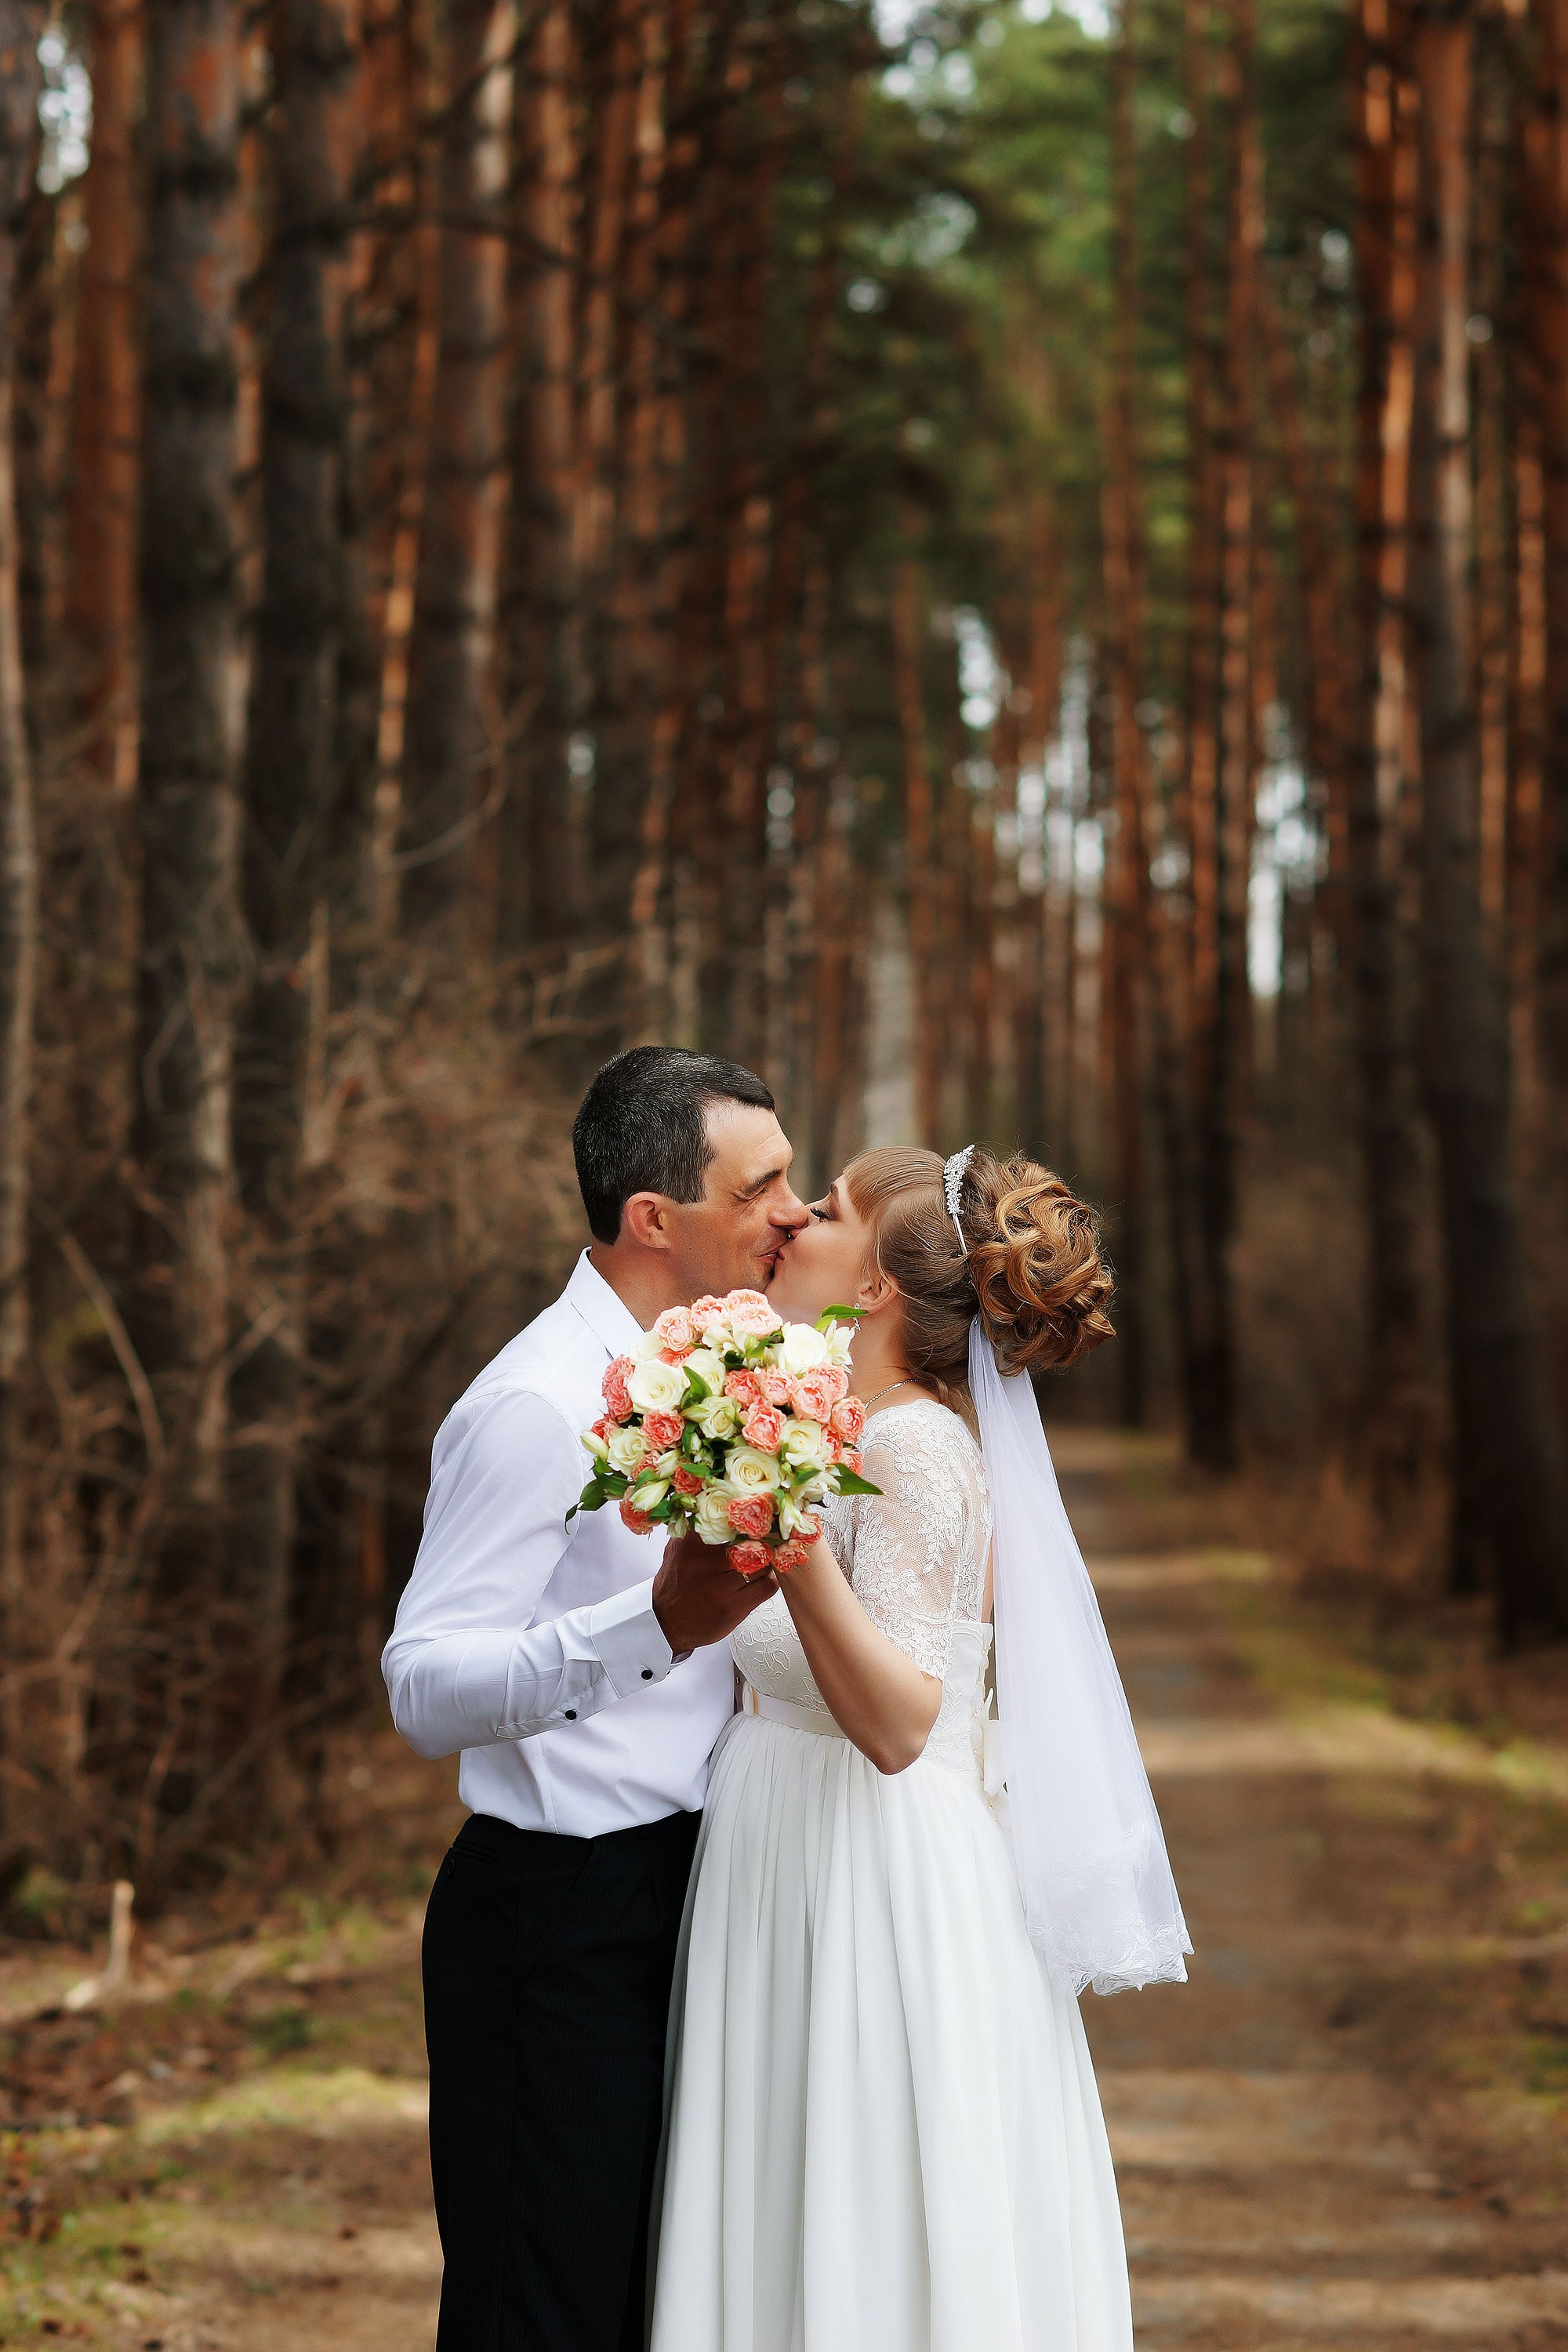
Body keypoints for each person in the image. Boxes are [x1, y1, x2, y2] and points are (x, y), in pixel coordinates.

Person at [649, 1145, 1192, 2352]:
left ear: (882, 1284)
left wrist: (782, 1535)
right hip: (786, 1839)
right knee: (796, 2188)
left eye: (827, 1210)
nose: (792, 1222)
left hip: (868, 1863)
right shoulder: (848, 1424)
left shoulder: (910, 1449)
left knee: (865, 2202)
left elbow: (898, 1721)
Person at [383, 1045, 809, 2352]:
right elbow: (423, 1683)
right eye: (765, 1186)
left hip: (701, 1893)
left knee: (655, 2307)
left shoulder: (743, 1372)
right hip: (558, 1922)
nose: (794, 1213)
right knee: (543, 2309)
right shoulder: (533, 1405)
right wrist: (656, 1626)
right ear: (654, 1220)